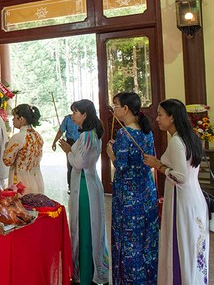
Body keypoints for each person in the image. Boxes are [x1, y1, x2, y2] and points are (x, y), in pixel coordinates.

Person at [143, 99, 209, 284]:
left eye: (160, 115)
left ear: (172, 117)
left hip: (183, 201)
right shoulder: (189, 137)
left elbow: (181, 177)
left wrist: (158, 165)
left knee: (182, 247)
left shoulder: (177, 142)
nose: (157, 119)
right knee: (192, 247)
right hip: (194, 198)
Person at [106, 92, 158, 284]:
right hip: (146, 191)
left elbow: (121, 165)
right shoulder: (147, 132)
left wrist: (111, 153)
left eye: (116, 106)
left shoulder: (124, 133)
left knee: (128, 242)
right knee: (146, 239)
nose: (114, 110)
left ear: (125, 109)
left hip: (128, 196)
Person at [58, 99, 110, 285]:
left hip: (85, 186)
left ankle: (87, 274)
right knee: (88, 227)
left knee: (85, 229)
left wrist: (68, 151)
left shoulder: (87, 135)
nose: (72, 116)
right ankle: (85, 272)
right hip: (89, 183)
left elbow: (79, 163)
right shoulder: (91, 134)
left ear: (85, 115)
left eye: (75, 113)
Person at [3, 104, 44, 193]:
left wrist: (6, 148)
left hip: (21, 184)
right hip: (37, 181)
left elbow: (7, 161)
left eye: (15, 117)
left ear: (21, 119)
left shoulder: (18, 137)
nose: (13, 119)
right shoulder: (38, 136)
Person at [51, 113, 80, 191]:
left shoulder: (83, 120)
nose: (74, 114)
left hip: (81, 143)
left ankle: (80, 185)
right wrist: (54, 142)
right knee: (70, 164)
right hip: (70, 143)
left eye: (76, 111)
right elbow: (61, 131)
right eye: (73, 111)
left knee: (80, 163)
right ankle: (71, 186)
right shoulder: (67, 119)